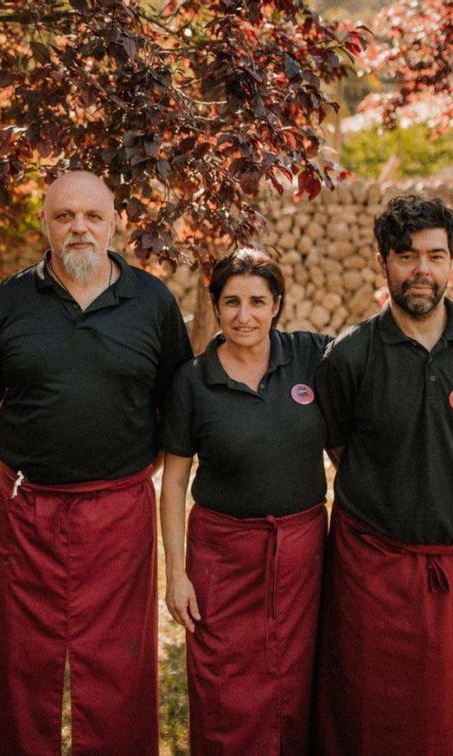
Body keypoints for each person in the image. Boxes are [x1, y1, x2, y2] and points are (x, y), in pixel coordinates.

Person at [0, 170, 193, 754]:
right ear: (45, 224)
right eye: (65, 216)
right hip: (27, 512)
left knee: (117, 666)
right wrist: (23, 465)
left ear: (115, 223)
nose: (79, 228)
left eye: (92, 216)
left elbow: (177, 408)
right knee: (18, 663)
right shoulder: (8, 301)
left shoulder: (153, 301)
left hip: (120, 511)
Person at [313, 194, 453, 755]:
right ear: (384, 261)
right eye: (407, 256)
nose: (422, 270)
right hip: (374, 563)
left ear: (452, 261)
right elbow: (340, 446)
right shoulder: (349, 355)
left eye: (436, 255)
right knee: (370, 702)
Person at [159, 249, 330, 755]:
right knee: (224, 686)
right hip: (222, 557)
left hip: (302, 555)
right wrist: (176, 574)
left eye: (257, 301)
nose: (244, 315)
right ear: (215, 308)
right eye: (231, 302)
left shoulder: (311, 356)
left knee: (295, 681)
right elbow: (172, 482)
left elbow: (388, 342)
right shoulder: (193, 380)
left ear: (277, 304)